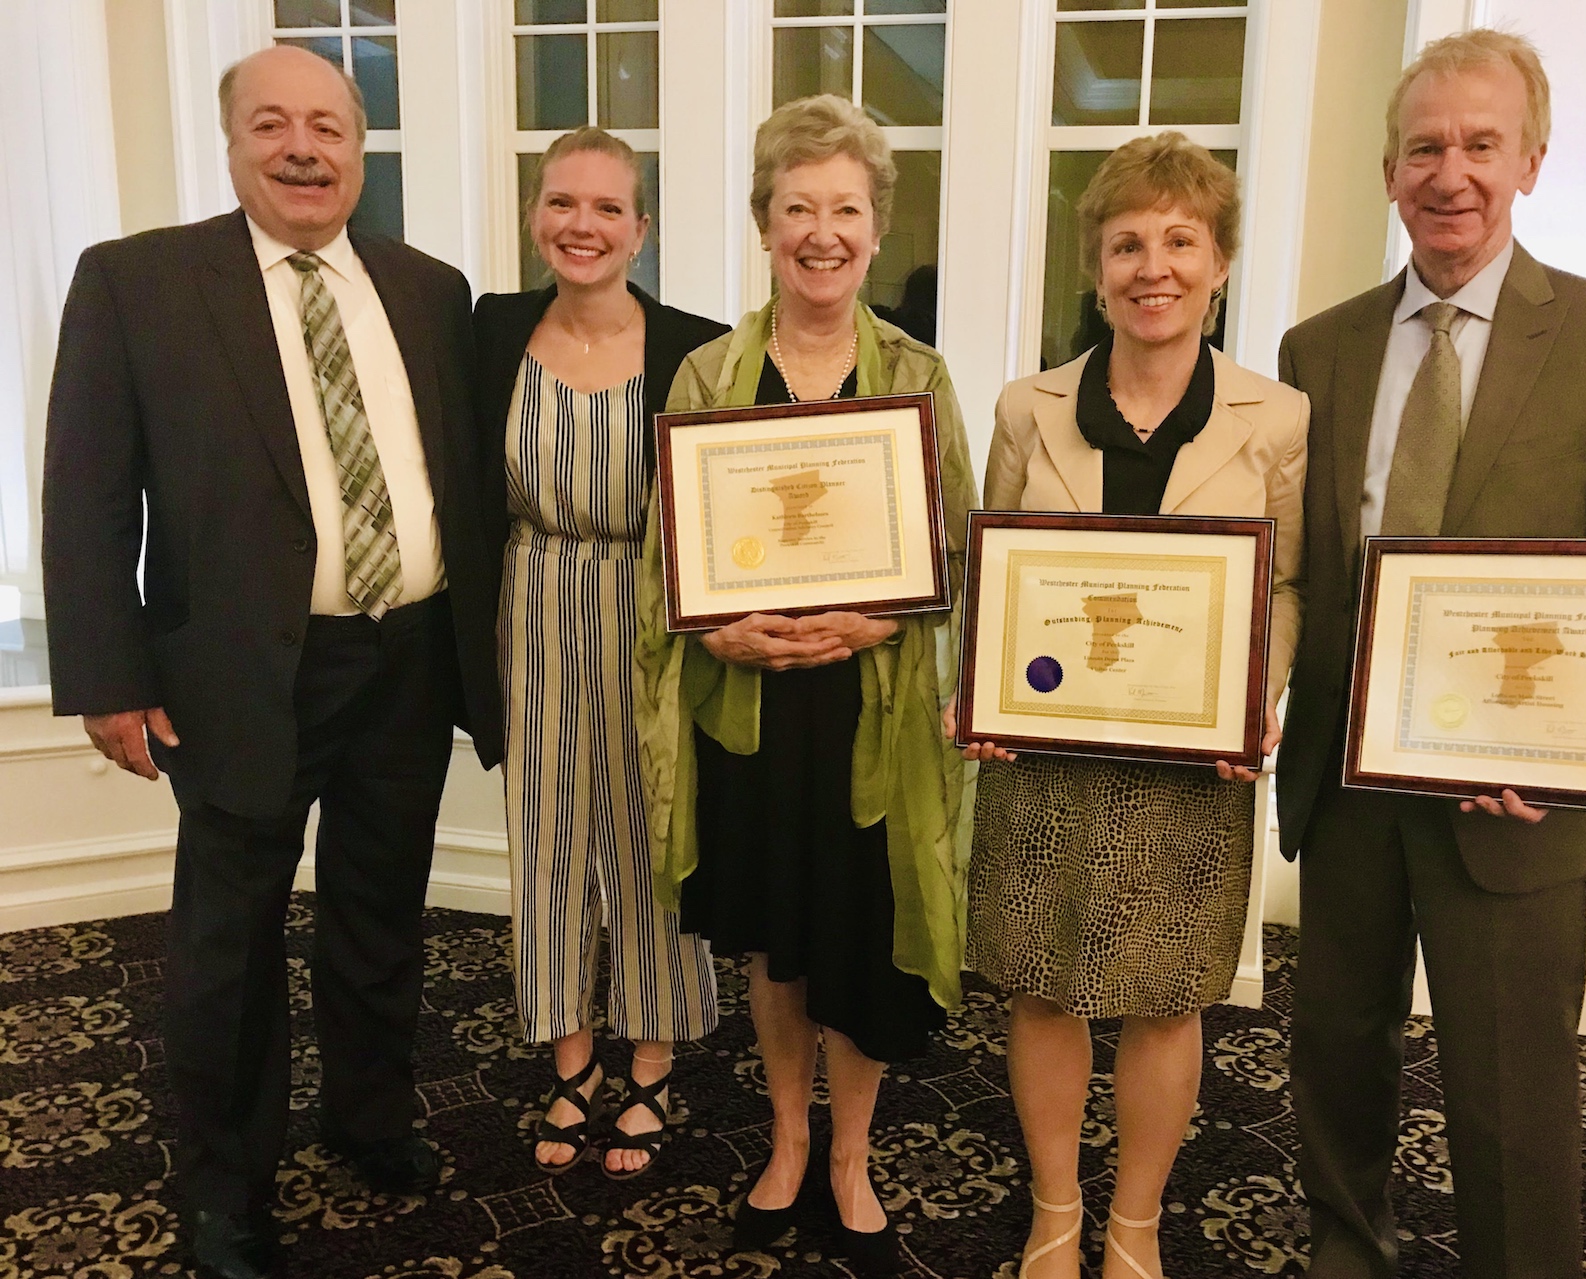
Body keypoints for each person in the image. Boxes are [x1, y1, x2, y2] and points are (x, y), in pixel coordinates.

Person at [40, 45, 504, 1279]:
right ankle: (226, 1187)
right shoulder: (137, 282)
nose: (303, 148)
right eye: (273, 125)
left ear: (360, 148)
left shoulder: (427, 287)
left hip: (405, 659)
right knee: (228, 941)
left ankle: (370, 1123)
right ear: (233, 142)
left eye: (329, 128)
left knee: (378, 915)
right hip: (237, 674)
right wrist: (107, 673)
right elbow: (87, 493)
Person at [1276, 30, 1586, 1279]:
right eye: (1424, 146)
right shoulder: (1320, 348)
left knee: (1511, 1085)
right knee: (1337, 1049)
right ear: (1390, 173)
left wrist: (1570, 763)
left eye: (1479, 144)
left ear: (1531, 162)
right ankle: (1349, 1248)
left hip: (1512, 792)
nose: (1449, 171)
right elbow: (1302, 569)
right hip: (1347, 780)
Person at [634, 94, 978, 1275]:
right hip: (755, 713)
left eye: (845, 208)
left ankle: (851, 1155)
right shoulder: (706, 373)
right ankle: (786, 1138)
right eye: (797, 208)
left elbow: (964, 555)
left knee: (862, 944)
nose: (821, 232)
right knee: (779, 941)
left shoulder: (921, 378)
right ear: (764, 225)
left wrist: (884, 611)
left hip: (870, 718)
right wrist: (718, 636)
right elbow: (665, 560)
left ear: (877, 228)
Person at [955, 134, 1305, 1279]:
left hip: (1192, 766)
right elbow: (989, 570)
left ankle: (1134, 1223)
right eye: (1126, 243)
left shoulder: (1280, 418)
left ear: (1218, 262)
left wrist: (1259, 695)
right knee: (1042, 986)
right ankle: (1057, 1211)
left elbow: (1291, 583)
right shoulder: (1027, 408)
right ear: (1096, 266)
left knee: (1168, 999)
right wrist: (983, 689)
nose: (1152, 266)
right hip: (1046, 759)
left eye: (1179, 240)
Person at [473, 128, 728, 1179]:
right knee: (547, 839)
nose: (582, 225)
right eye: (562, 202)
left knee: (651, 836)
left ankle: (654, 1059)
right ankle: (572, 1060)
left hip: (650, 615)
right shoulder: (489, 334)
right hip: (527, 603)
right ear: (538, 213)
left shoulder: (697, 347)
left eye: (607, 208)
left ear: (641, 229)